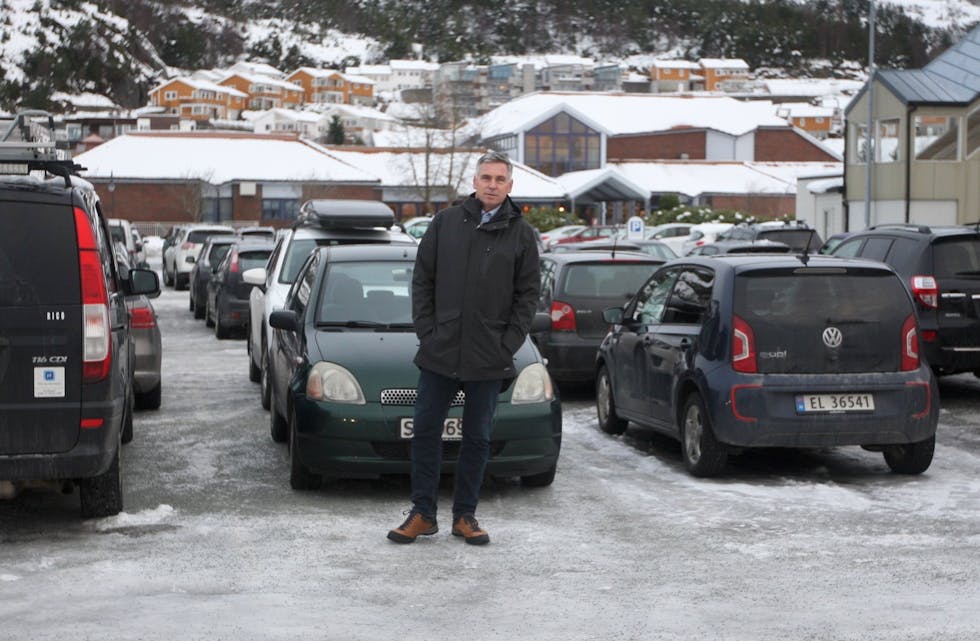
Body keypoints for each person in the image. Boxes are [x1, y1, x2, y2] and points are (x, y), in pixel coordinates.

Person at [387, 150, 541, 546]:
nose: (492, 184)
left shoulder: (521, 234)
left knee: (476, 438)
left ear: (510, 186)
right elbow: (422, 280)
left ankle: (465, 516)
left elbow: (527, 297)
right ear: (474, 182)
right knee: (424, 432)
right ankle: (422, 513)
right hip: (440, 351)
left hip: (489, 356)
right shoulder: (446, 223)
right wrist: (428, 331)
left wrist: (507, 344)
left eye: (499, 179)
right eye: (486, 177)